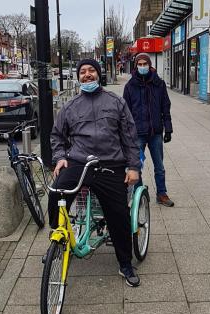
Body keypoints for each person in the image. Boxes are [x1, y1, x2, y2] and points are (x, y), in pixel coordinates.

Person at [50, 58, 142, 287]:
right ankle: (58, 242)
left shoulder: (116, 102)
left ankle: (125, 263)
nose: (87, 74)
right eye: (83, 71)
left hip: (110, 163)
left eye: (91, 70)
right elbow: (57, 137)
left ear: (98, 74)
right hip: (80, 162)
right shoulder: (70, 106)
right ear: (78, 76)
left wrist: (133, 167)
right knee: (55, 193)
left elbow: (129, 137)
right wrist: (60, 158)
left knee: (118, 215)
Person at [123, 53, 174, 207]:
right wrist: (126, 134)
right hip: (137, 134)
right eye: (140, 64)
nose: (143, 67)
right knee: (136, 165)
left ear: (150, 65)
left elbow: (165, 106)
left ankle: (162, 193)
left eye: (145, 64)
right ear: (136, 66)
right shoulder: (130, 86)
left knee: (159, 165)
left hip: (155, 133)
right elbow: (125, 112)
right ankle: (140, 194)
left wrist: (168, 129)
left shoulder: (159, 84)